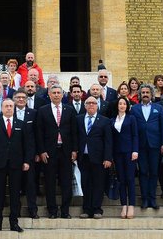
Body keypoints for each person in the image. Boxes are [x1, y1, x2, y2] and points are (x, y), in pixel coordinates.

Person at [0, 98, 33, 233]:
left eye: (10, 106)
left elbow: (27, 145)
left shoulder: (21, 124)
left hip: (16, 164)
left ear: (14, 108)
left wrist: (26, 161)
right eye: (6, 106)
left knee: (15, 195)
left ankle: (14, 223)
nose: (8, 108)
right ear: (1, 108)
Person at [35, 84, 78, 219]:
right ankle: (52, 210)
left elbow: (74, 132)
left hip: (66, 151)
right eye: (54, 92)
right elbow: (39, 133)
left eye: (59, 92)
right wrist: (41, 151)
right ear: (49, 94)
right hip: (49, 152)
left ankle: (65, 211)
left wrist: (74, 150)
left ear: (63, 94)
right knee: (49, 183)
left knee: (66, 183)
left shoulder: (69, 110)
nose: (56, 95)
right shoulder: (42, 110)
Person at [130, 83, 163, 210]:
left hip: (155, 145)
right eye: (143, 93)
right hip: (140, 145)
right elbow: (132, 129)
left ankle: (153, 199)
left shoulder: (159, 108)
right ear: (140, 95)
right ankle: (144, 199)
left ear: (151, 94)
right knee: (143, 172)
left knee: (154, 172)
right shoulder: (134, 109)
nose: (145, 95)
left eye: (147, 93)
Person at [76, 96, 113, 219]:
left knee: (98, 184)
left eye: (94, 103)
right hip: (83, 157)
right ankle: (86, 209)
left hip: (99, 158)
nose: (91, 105)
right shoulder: (79, 119)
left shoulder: (104, 120)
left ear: (97, 105)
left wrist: (108, 158)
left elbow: (108, 141)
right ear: (85, 105)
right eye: (88, 103)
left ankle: (97, 209)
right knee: (85, 184)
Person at [13, 89, 40, 218]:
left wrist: (37, 153)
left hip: (30, 154)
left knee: (30, 183)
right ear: (14, 99)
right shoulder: (9, 112)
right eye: (18, 97)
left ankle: (32, 209)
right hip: (13, 154)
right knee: (15, 183)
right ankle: (15, 209)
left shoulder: (33, 113)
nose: (21, 99)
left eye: (23, 97)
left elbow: (37, 134)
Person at [112, 97, 139, 219]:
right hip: (117, 153)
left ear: (127, 106)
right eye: (120, 103)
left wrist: (135, 150)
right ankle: (124, 205)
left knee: (130, 179)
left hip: (129, 153)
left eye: (124, 104)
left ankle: (131, 205)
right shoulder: (112, 120)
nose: (122, 105)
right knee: (121, 180)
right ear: (117, 106)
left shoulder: (131, 118)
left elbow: (135, 135)